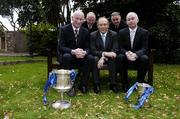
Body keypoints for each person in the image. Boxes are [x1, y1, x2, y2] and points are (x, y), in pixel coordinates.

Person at [58, 10, 93, 96]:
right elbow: (61, 47)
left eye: (81, 19)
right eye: (77, 18)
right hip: (69, 55)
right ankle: (69, 86)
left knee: (90, 58)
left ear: (83, 20)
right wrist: (73, 51)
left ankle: (83, 85)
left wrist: (84, 52)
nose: (78, 21)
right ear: (72, 18)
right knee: (66, 56)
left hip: (81, 56)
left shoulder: (85, 31)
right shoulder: (64, 29)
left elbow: (88, 47)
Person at [117, 12, 149, 92]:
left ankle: (139, 83)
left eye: (132, 19)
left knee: (145, 58)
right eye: (128, 19)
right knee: (120, 57)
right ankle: (125, 84)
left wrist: (135, 54)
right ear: (126, 22)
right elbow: (120, 47)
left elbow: (144, 48)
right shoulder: (122, 32)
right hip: (126, 57)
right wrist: (126, 53)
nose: (131, 21)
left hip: (138, 57)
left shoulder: (144, 32)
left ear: (137, 20)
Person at [90, 17, 119, 94]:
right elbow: (93, 51)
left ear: (108, 25)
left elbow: (114, 49)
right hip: (98, 56)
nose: (103, 26)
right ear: (97, 25)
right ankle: (96, 84)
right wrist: (104, 54)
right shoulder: (93, 35)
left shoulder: (114, 34)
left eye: (105, 24)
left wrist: (105, 56)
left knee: (113, 58)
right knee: (95, 59)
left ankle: (113, 84)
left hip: (110, 57)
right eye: (100, 25)